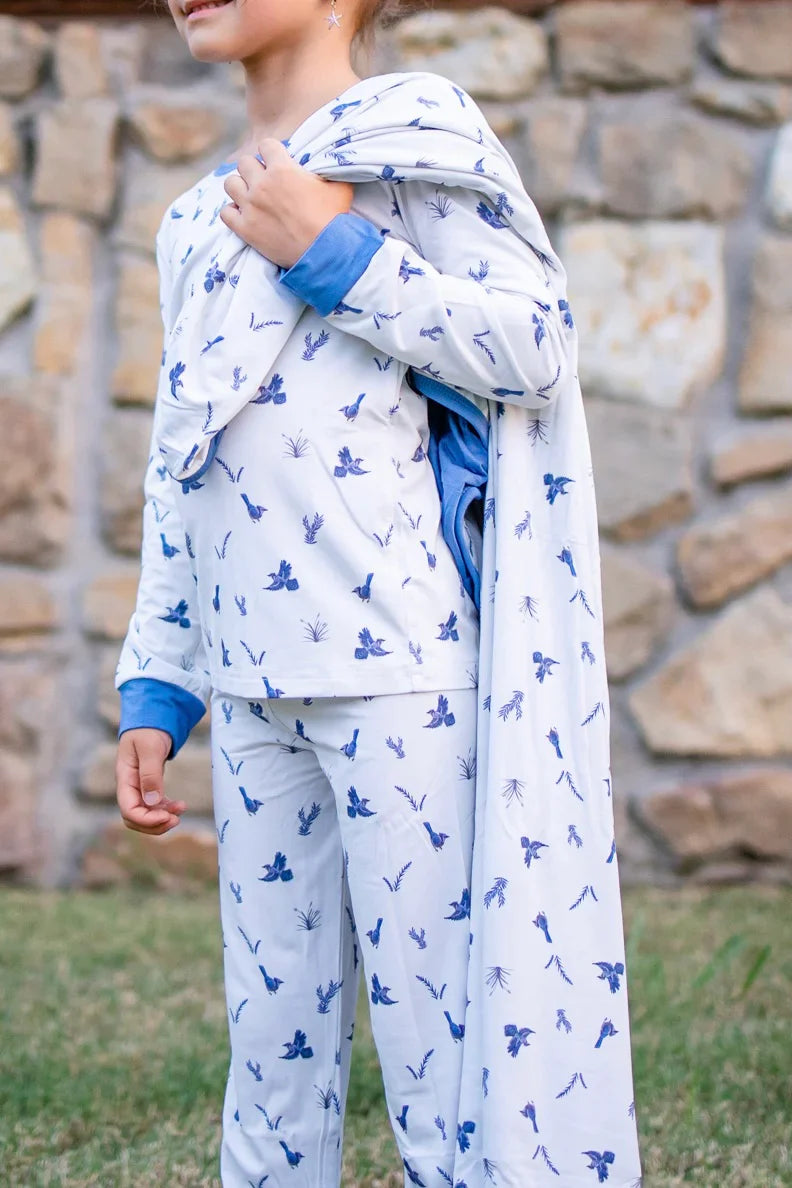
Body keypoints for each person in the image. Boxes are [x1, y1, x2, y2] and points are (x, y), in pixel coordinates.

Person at [115, 2, 644, 1186]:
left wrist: (334, 252)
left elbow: (533, 345)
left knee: (446, 1052)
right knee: (271, 1051)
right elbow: (181, 462)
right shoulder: (192, 223)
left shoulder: (421, 138)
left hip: (405, 686)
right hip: (254, 700)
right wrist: (158, 676)